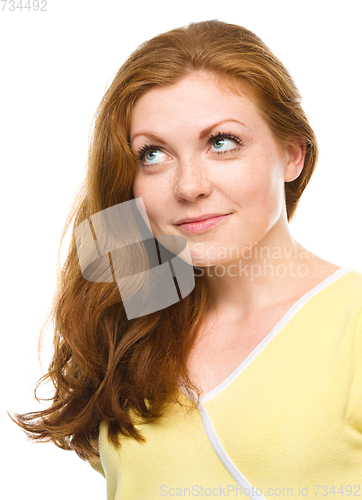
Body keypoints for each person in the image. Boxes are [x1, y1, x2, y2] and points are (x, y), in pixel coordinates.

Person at [11, 20, 362, 500]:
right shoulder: (134, 318)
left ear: (292, 154)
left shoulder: (352, 322)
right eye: (153, 154)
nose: (188, 186)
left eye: (222, 142)